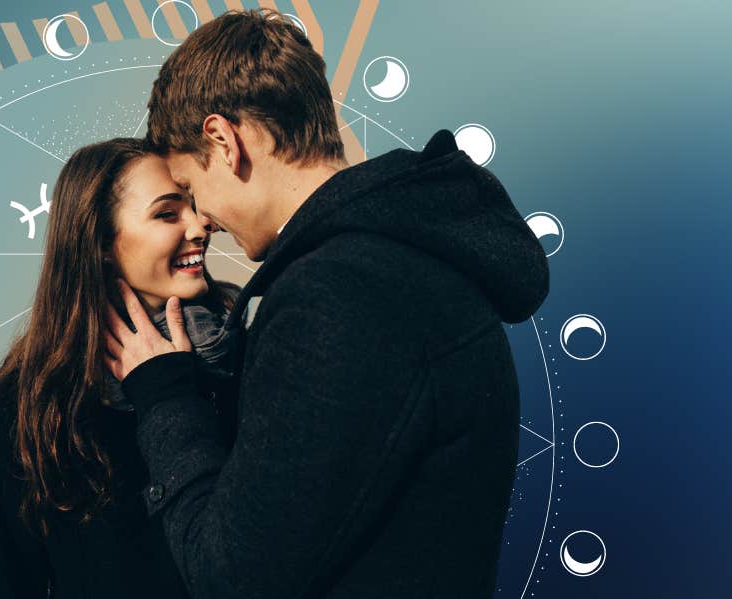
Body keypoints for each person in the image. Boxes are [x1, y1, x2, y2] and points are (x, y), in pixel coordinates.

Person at [103, 10, 551, 598]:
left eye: (190, 188)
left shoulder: (336, 296)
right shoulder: (416, 256)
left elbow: (232, 577)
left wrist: (165, 397)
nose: (203, 218)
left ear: (224, 139)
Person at [0, 137, 244, 598]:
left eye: (194, 206)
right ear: (100, 243)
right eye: (167, 213)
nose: (200, 226)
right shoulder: (28, 400)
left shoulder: (246, 357)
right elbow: (6, 580)